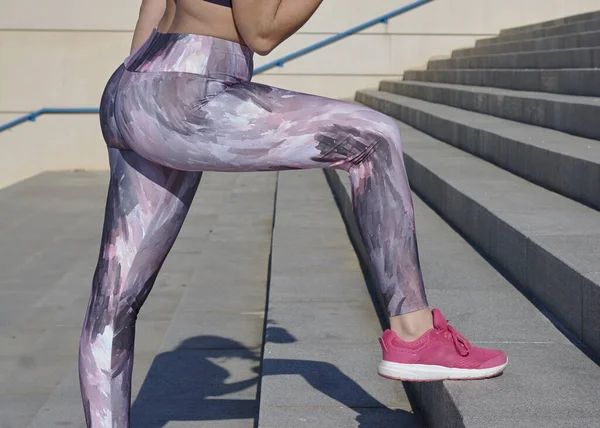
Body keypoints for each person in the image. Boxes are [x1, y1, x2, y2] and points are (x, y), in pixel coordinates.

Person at [79, 0, 508, 426]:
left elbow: (150, 11)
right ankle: (414, 335)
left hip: (134, 84)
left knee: (113, 303)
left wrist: (136, 108)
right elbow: (260, 31)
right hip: (187, 91)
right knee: (373, 139)